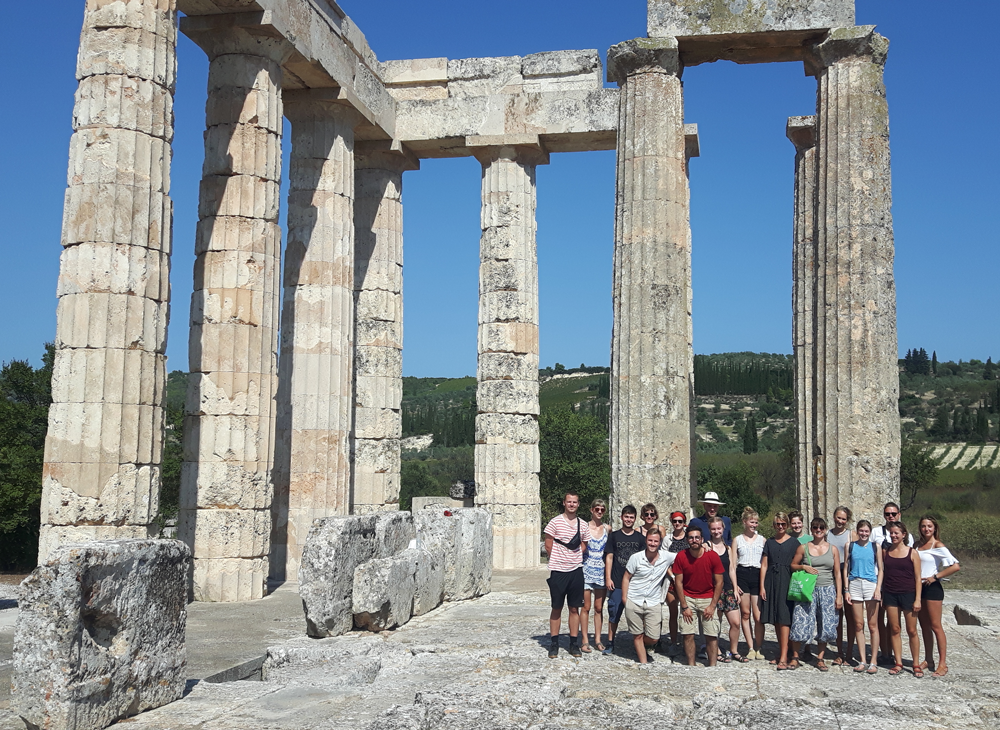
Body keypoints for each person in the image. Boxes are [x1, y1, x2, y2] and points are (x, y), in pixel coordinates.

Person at [543, 491, 593, 658]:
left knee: (574, 608)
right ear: (564, 503)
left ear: (578, 504)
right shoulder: (554, 522)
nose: (572, 504)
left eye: (575, 502)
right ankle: (554, 643)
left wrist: (573, 558)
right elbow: (548, 544)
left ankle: (573, 643)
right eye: (569, 502)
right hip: (558, 571)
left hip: (576, 571)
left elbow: (584, 544)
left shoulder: (583, 524)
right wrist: (559, 559)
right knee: (556, 607)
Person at [789, 517, 843, 671]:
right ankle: (795, 656)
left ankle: (820, 658)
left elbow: (837, 574)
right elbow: (792, 565)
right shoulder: (803, 547)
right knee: (801, 621)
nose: (818, 530)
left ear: (825, 529)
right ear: (811, 530)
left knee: (825, 623)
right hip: (808, 589)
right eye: (815, 528)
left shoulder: (832, 549)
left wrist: (839, 595)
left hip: (827, 589)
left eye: (821, 528)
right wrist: (803, 567)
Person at [622, 529, 677, 664]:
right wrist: (624, 598)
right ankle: (644, 663)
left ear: (659, 542)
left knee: (654, 637)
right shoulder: (636, 558)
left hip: (653, 601)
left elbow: (683, 556)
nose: (652, 543)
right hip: (634, 599)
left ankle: (640, 644)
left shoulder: (666, 556)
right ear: (646, 541)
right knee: (638, 634)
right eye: (650, 540)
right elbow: (626, 577)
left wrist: (704, 546)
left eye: (656, 541)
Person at [673, 525, 724, 666]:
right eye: (691, 537)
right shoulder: (681, 556)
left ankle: (712, 665)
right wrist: (684, 606)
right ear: (687, 539)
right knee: (687, 634)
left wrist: (713, 605)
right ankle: (691, 664)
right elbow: (678, 582)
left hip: (708, 597)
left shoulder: (712, 556)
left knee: (711, 635)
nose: (694, 540)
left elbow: (719, 582)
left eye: (697, 537)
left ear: (702, 539)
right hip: (688, 597)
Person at [916, 516, 960, 677]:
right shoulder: (917, 545)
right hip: (918, 588)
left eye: (929, 526)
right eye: (923, 526)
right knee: (924, 626)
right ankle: (929, 659)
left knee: (936, 626)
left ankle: (943, 663)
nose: (926, 529)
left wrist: (936, 576)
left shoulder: (938, 545)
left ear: (934, 528)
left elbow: (955, 566)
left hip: (932, 587)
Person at [873, 502, 913, 666]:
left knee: (894, 622)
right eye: (888, 514)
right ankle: (885, 652)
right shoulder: (876, 532)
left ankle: (894, 654)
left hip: (898, 582)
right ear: (884, 515)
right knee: (879, 619)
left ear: (899, 514)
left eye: (894, 513)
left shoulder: (907, 536)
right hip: (877, 578)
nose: (891, 516)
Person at [881, 521, 923, 676]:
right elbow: (884, 574)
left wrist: (918, 599)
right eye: (891, 533)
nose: (893, 536)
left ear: (904, 535)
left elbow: (918, 578)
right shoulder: (886, 552)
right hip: (891, 594)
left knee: (911, 630)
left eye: (896, 533)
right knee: (894, 629)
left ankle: (916, 663)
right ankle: (898, 662)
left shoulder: (912, 553)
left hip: (909, 594)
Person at [603, 505, 644, 655]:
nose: (628, 519)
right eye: (626, 516)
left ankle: (641, 642)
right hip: (617, 580)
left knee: (639, 614)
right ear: (621, 517)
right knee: (614, 612)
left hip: (635, 584)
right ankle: (610, 642)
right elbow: (609, 557)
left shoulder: (640, 538)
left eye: (631, 517)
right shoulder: (614, 536)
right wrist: (608, 578)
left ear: (635, 519)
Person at [759, 512, 798, 669]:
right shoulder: (769, 542)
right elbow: (764, 565)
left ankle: (784, 656)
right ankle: (783, 651)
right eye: (777, 524)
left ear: (787, 525)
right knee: (776, 618)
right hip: (772, 581)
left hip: (787, 580)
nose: (780, 527)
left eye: (783, 524)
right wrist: (762, 586)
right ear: (774, 525)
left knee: (784, 618)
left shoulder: (794, 543)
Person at [845, 519, 884, 674]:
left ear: (870, 532)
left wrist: (878, 589)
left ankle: (873, 661)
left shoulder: (876, 547)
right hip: (854, 583)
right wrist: (846, 589)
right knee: (858, 625)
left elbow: (881, 569)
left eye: (866, 531)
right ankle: (863, 660)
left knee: (873, 625)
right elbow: (846, 567)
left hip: (870, 584)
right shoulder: (850, 546)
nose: (864, 534)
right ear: (857, 531)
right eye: (861, 531)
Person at [708, 516, 743, 662]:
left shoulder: (728, 549)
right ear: (710, 530)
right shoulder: (706, 547)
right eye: (713, 529)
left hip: (728, 588)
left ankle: (733, 650)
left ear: (723, 529)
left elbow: (731, 569)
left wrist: (735, 588)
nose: (716, 531)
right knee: (715, 623)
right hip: (713, 589)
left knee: (735, 622)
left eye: (719, 528)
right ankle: (716, 650)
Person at [734, 506, 765, 660]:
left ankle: (759, 647)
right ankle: (750, 647)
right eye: (751, 522)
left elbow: (765, 563)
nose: (754, 525)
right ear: (745, 522)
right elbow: (733, 565)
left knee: (758, 616)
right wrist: (734, 586)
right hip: (743, 575)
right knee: (745, 614)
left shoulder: (762, 540)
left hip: (757, 575)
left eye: (756, 523)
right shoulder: (737, 540)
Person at [827, 506, 857, 666]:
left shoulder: (851, 535)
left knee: (851, 617)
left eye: (843, 519)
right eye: (838, 518)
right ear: (834, 517)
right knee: (837, 616)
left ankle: (850, 652)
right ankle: (839, 652)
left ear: (847, 520)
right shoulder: (828, 534)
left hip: (850, 575)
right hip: (832, 575)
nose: (840, 521)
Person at [580, 499, 609, 653]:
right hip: (586, 569)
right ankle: (585, 639)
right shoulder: (584, 527)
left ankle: (597, 639)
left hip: (601, 571)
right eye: (596, 509)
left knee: (598, 608)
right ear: (591, 510)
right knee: (586, 607)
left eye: (602, 509)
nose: (599, 511)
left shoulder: (607, 529)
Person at [662, 511, 689, 652]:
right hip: (671, 578)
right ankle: (673, 642)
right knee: (673, 611)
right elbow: (663, 560)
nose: (677, 524)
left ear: (684, 522)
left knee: (686, 611)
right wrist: (673, 576)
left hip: (687, 580)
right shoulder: (667, 539)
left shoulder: (689, 537)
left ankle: (686, 641)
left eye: (680, 521)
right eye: (674, 521)